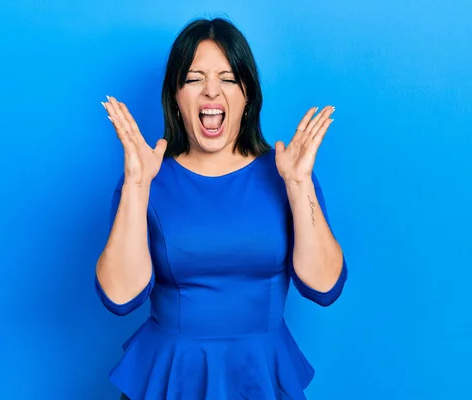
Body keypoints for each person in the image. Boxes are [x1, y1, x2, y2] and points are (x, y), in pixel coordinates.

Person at [95, 17, 348, 400]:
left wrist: (299, 185)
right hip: (171, 375)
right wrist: (136, 185)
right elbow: (119, 297)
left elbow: (325, 287)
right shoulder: (145, 178)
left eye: (228, 78)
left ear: (248, 96)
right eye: (194, 79)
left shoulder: (289, 174)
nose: (211, 91)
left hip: (260, 375)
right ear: (176, 97)